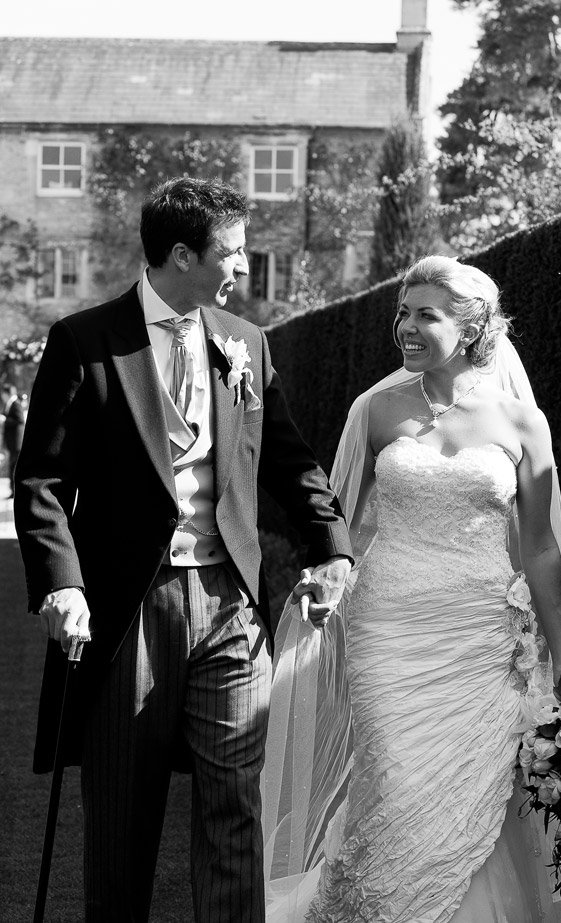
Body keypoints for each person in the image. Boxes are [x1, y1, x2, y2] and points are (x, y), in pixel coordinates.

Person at [14, 176, 353, 923]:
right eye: (229, 252)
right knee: (122, 823)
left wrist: (331, 547)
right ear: (179, 254)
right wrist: (60, 583)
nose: (240, 266)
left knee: (235, 804)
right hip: (130, 606)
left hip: (231, 605)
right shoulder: (86, 341)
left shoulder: (245, 341)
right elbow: (40, 478)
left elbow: (288, 459)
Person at [262, 255, 561, 922]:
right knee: (396, 779)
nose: (405, 327)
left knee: (475, 788)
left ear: (471, 328)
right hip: (388, 631)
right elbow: (341, 529)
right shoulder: (375, 410)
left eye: (424, 315)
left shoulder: (522, 423)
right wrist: (325, 581)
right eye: (401, 312)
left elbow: (540, 545)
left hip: (482, 638)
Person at [2, 383, 25, 497]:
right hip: (12, 443)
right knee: (12, 467)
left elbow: (20, 420)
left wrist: (5, 420)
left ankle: (16, 491)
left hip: (16, 443)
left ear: (6, 393)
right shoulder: (11, 404)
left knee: (14, 468)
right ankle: (14, 491)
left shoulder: (15, 404)